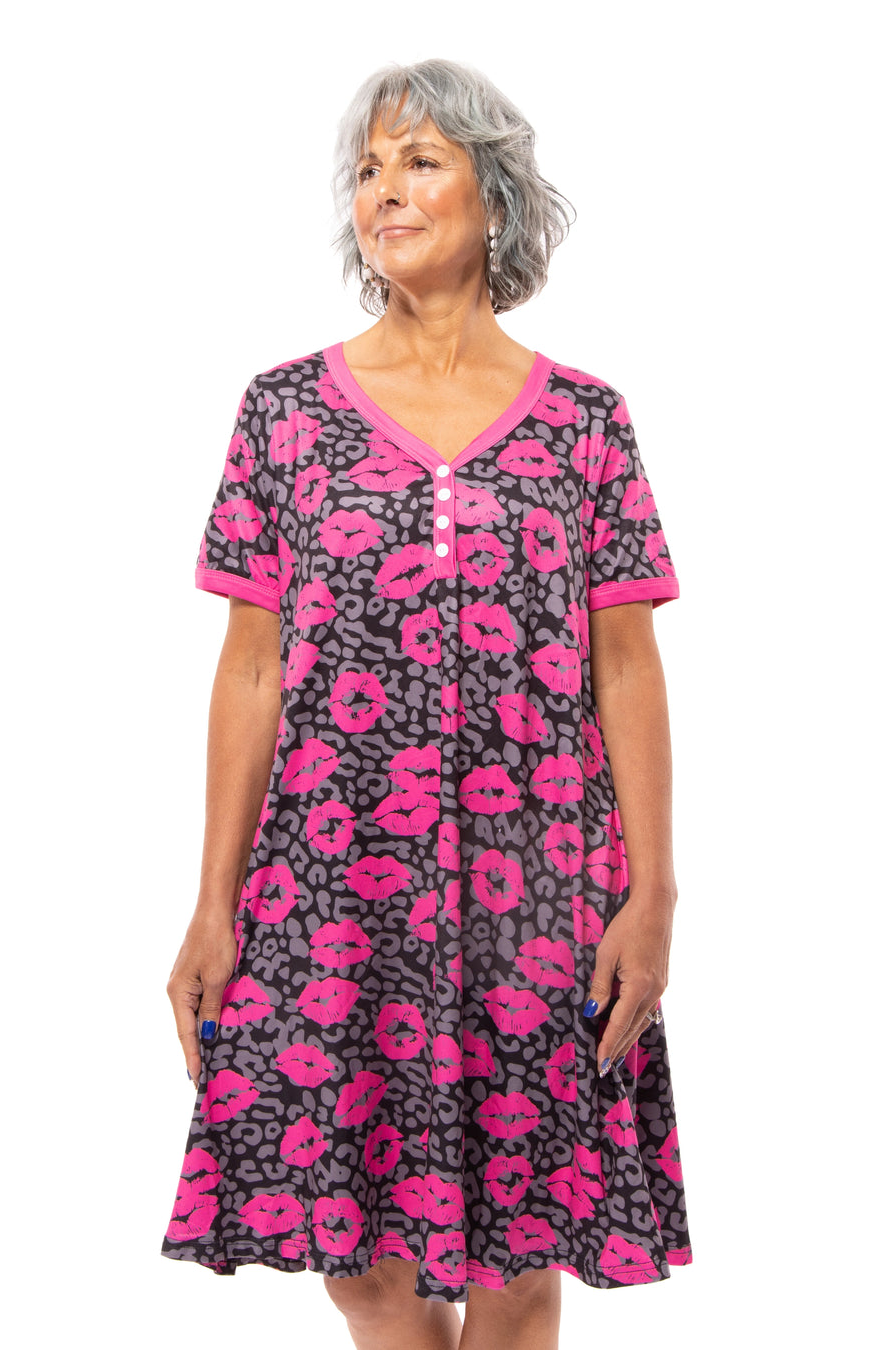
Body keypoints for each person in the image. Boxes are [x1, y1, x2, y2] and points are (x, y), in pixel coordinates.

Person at [162, 57, 692, 1350]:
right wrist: (213, 903)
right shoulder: (284, 412)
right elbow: (251, 667)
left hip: (541, 885)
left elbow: (625, 664)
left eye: (419, 161)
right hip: (331, 885)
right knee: (360, 1259)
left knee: (523, 1249)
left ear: (493, 197)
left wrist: (655, 893)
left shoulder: (586, 423)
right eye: (366, 170)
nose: (383, 191)